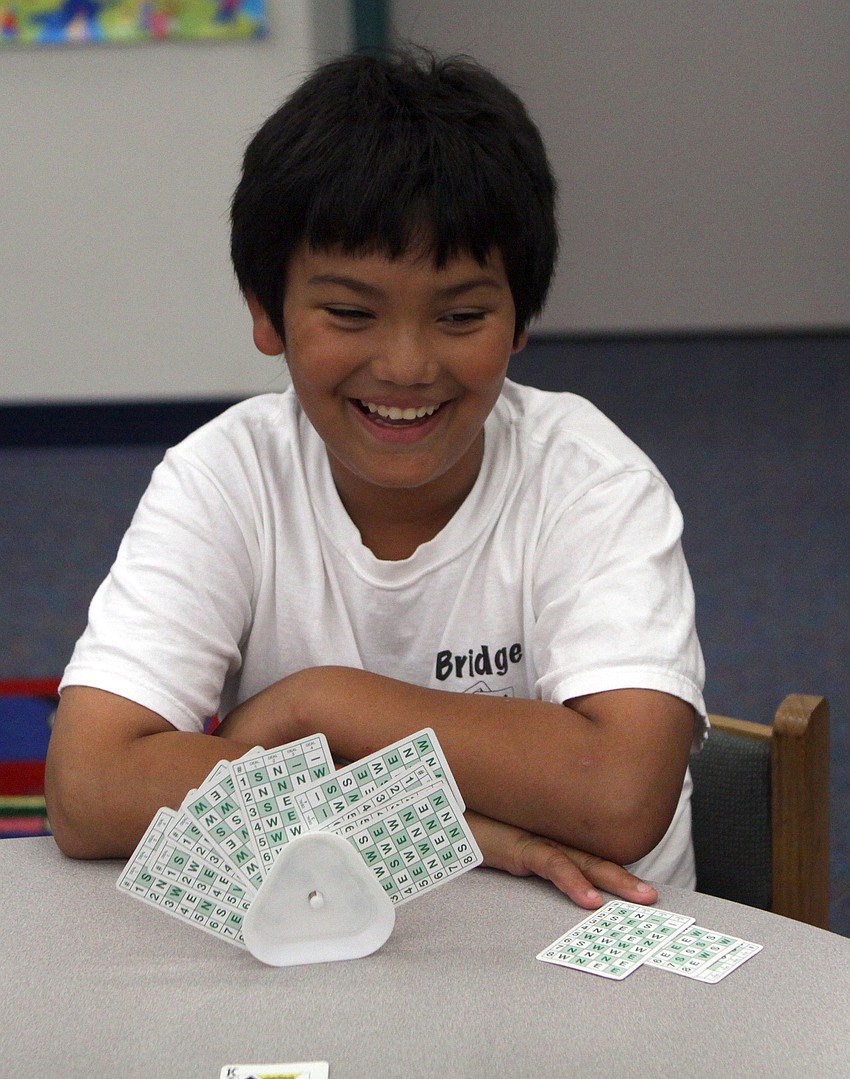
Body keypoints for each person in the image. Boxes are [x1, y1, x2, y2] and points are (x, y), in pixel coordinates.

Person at [45, 46, 706, 910]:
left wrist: (316, 705)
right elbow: (88, 786)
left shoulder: (591, 481)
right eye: (352, 313)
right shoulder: (224, 476)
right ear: (265, 312)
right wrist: (454, 829)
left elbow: (621, 796)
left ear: (520, 322)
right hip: (332, 945)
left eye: (461, 315)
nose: (405, 364)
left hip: (569, 955)